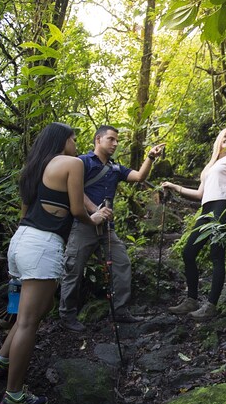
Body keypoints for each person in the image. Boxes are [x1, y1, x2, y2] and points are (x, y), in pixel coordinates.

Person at [0, 122, 112, 404]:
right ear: (63, 140)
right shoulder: (71, 163)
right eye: (74, 138)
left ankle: (1, 361)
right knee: (30, 322)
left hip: (21, 243)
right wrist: (93, 220)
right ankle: (14, 394)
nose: (75, 144)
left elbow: (24, 213)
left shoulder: (33, 168)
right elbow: (77, 209)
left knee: (26, 315)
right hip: (43, 246)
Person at [57, 125, 164, 332]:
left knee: (121, 263)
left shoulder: (116, 168)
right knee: (73, 269)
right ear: (98, 139)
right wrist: (95, 210)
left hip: (107, 229)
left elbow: (139, 177)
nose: (115, 144)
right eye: (111, 139)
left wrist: (150, 156)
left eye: (117, 140)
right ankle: (67, 315)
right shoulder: (82, 162)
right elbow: (75, 191)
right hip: (83, 225)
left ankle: (120, 310)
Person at [161, 128, 226, 319]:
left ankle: (211, 305)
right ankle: (191, 300)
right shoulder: (210, 165)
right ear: (219, 138)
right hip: (206, 209)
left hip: (222, 207)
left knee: (217, 255)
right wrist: (174, 186)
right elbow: (199, 194)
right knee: (188, 252)